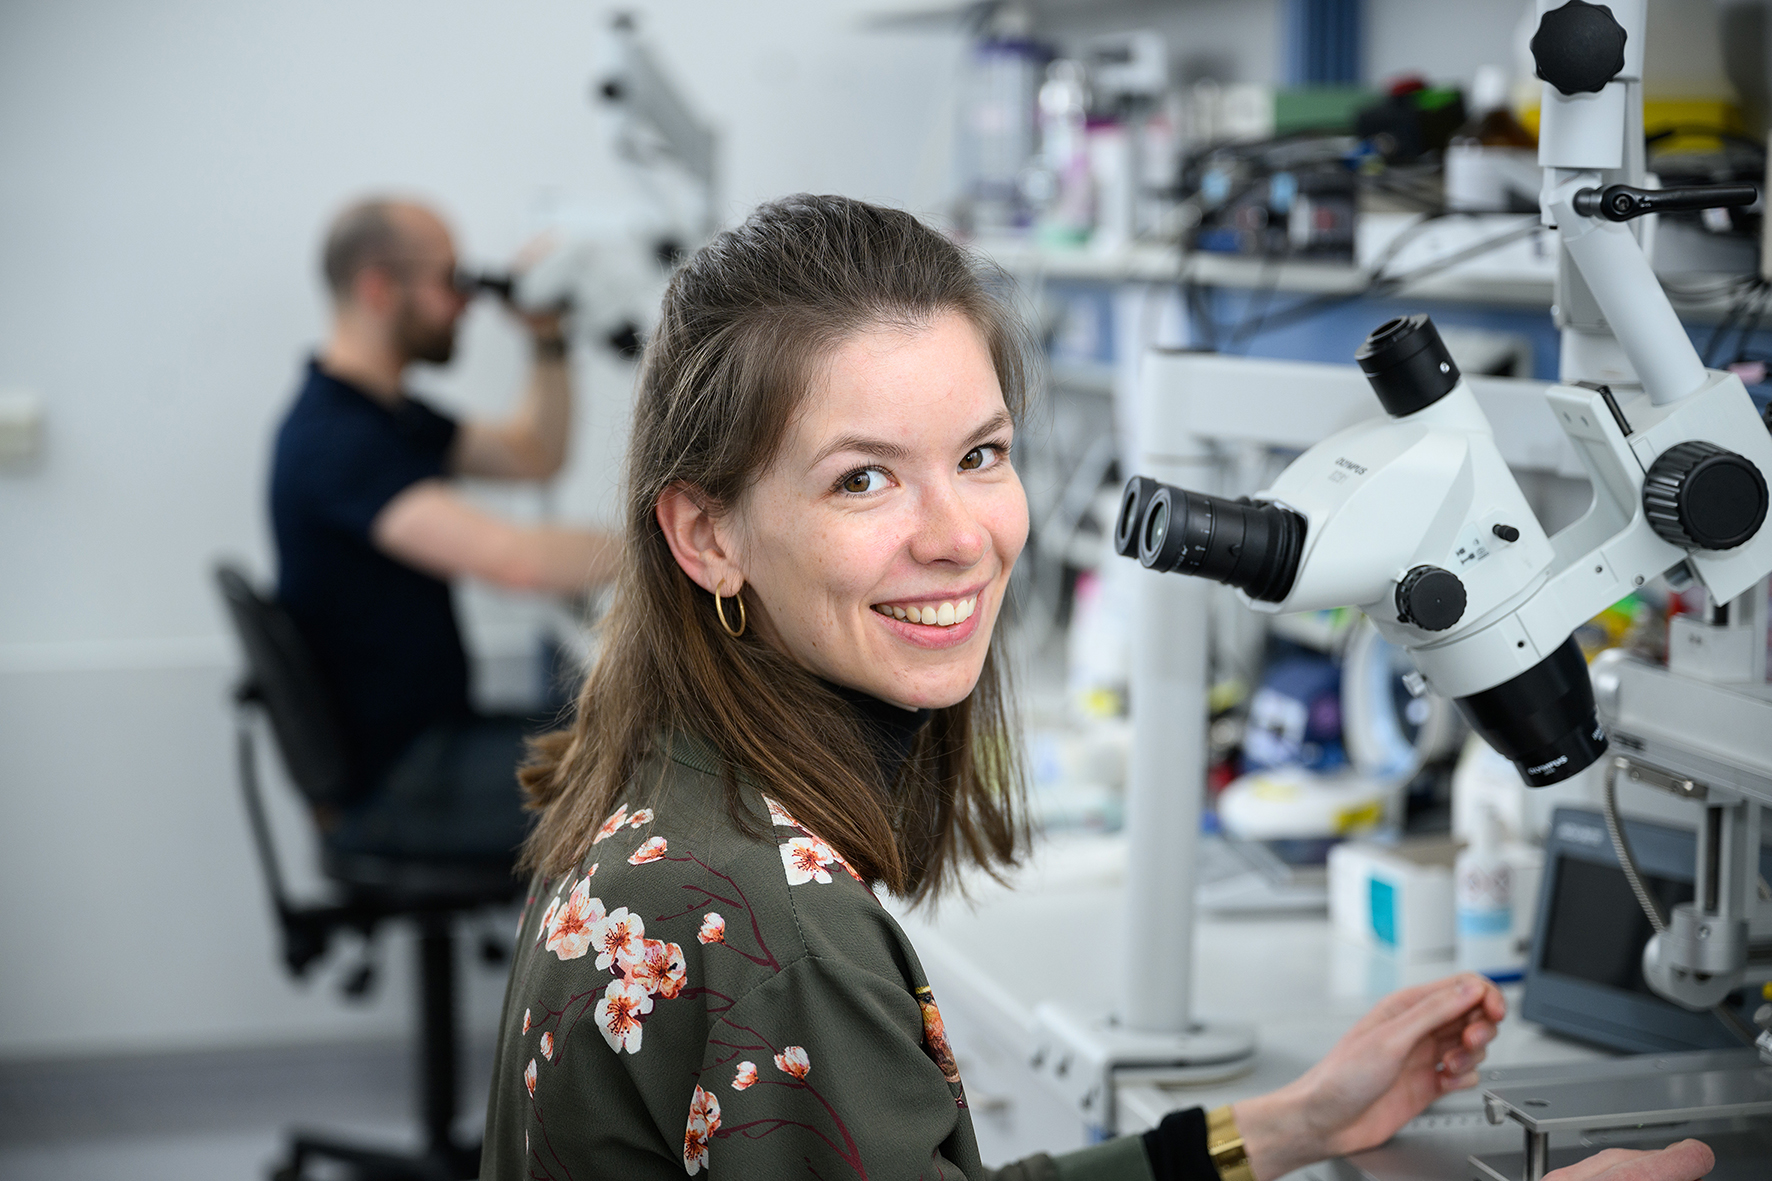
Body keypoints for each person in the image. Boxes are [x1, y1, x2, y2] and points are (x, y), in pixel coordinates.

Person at [479, 195, 1713, 1181]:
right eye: (863, 479)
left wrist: (1275, 1127)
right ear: (706, 534)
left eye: (980, 455)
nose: (958, 535)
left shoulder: (675, 799)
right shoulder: (777, 927)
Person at [270, 197, 620, 864]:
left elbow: (532, 453)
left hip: (431, 744)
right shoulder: (335, 440)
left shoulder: (382, 416)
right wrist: (673, 546)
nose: (466, 303)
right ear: (378, 287)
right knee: (663, 786)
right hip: (403, 781)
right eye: (449, 280)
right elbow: (516, 561)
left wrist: (545, 336)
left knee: (632, 743)